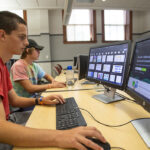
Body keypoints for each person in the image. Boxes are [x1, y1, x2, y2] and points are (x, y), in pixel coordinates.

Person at [0, 11, 106, 150]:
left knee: (54, 118)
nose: (26, 43)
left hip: (9, 120)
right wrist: (59, 137)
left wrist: (41, 100)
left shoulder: (3, 66)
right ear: (2, 35)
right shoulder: (14, 65)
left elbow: (14, 100)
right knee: (56, 129)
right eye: (22, 37)